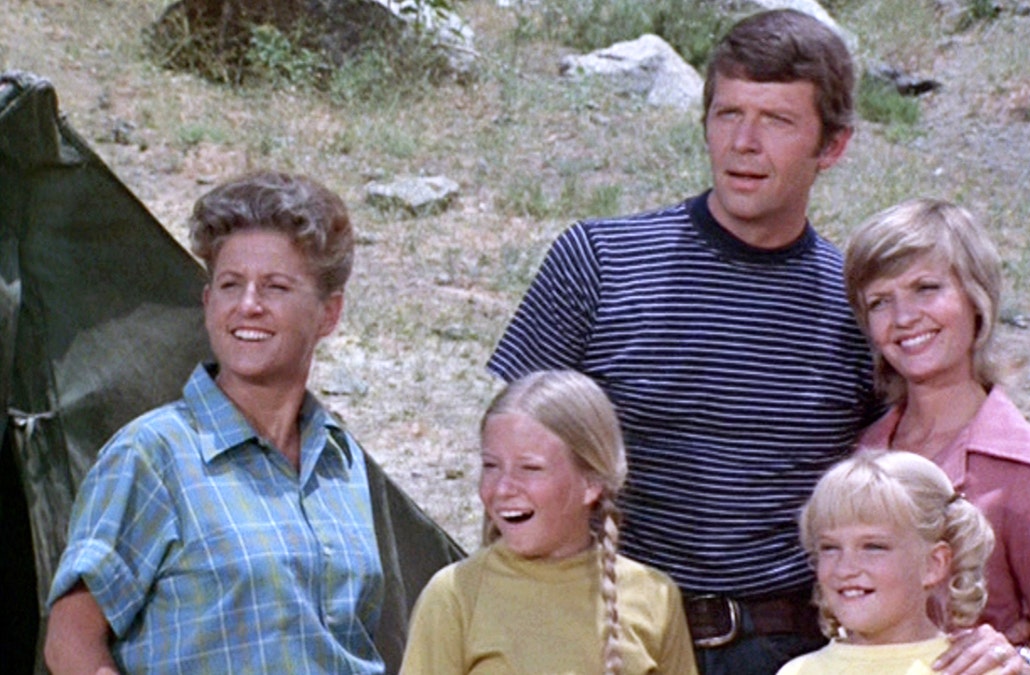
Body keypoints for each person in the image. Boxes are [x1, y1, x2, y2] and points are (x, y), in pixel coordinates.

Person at [486, 9, 879, 674]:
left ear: (832, 145)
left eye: (777, 120)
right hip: (608, 631)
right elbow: (511, 469)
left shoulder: (860, 307)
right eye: (728, 114)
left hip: (788, 646)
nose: (743, 143)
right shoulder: (599, 261)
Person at [43, 171, 386, 674]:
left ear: (328, 315)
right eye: (230, 285)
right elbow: (70, 643)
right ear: (208, 306)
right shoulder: (153, 454)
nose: (248, 305)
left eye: (275, 286)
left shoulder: (341, 460)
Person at [843, 198, 1030, 675]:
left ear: (975, 299)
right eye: (880, 301)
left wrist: (1019, 661)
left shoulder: (1027, 467)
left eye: (926, 289)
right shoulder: (863, 457)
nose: (904, 317)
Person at [399, 370, 697, 675]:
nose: (502, 488)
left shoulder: (656, 597)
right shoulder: (454, 596)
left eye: (530, 468)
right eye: (491, 466)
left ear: (591, 483)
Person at [777, 450, 998, 675]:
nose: (845, 569)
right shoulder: (797, 671)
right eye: (830, 548)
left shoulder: (974, 668)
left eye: (873, 547)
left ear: (933, 564)